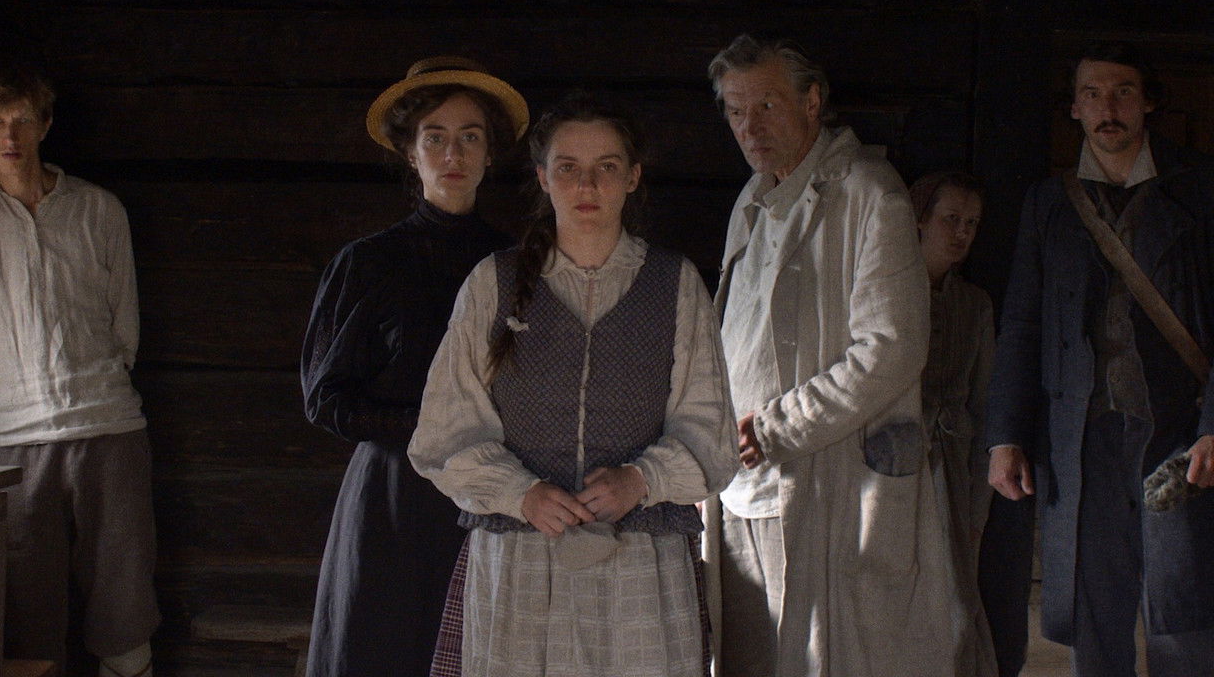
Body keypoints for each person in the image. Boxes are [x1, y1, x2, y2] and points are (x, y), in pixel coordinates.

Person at [408, 93, 738, 676]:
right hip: (519, 561)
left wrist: (642, 479)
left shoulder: (675, 284)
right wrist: (521, 493)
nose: (587, 184)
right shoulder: (493, 283)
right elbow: (444, 433)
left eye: (607, 166)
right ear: (543, 177)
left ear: (632, 177)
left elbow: (710, 431)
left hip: (639, 565)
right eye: (568, 167)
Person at [702, 33, 959, 677]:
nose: (749, 126)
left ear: (812, 102)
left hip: (823, 479)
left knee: (825, 657)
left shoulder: (870, 193)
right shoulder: (752, 199)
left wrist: (774, 428)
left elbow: (892, 348)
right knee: (748, 659)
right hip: (740, 483)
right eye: (735, 110)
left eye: (767, 105)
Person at [987, 41, 1214, 676]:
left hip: (1177, 429)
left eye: (1121, 92)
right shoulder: (1049, 202)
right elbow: (1023, 324)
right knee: (1094, 612)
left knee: (1183, 610)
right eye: (1091, 94)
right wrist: (1005, 435)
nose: (1106, 108)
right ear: (1075, 108)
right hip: (1079, 439)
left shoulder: (1201, 191)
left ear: (1148, 102)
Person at [300, 56, 527, 677]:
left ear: (489, 154)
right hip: (393, 502)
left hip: (491, 496)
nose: (453, 153)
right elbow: (325, 398)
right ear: (410, 153)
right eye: (435, 137)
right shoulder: (369, 263)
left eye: (470, 137)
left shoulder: (516, 266)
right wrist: (432, 430)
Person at [0, 68, 158, 677]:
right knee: (23, 602)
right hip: (13, 439)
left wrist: (87, 385)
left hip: (108, 426)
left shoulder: (98, 209)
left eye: (21, 120)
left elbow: (124, 327)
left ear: (44, 125)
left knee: (123, 587)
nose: (9, 135)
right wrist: (16, 398)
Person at [911, 172, 998, 677]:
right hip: (895, 467)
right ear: (922, 219)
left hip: (953, 470)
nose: (962, 233)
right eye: (951, 219)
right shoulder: (889, 293)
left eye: (972, 223)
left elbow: (984, 403)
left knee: (955, 605)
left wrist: (977, 501)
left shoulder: (975, 305)